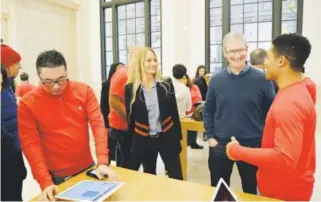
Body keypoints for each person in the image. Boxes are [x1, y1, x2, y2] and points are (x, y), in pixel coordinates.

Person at [226, 33, 316, 201]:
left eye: (268, 57)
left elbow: (284, 158)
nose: (265, 62)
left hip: (284, 191)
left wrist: (236, 151)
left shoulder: (290, 103)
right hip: (290, 184)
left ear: (281, 61)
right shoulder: (301, 88)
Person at [18, 50, 117, 201]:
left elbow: (97, 125)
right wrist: (45, 182)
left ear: (66, 72)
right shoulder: (27, 104)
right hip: (57, 177)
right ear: (38, 77)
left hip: (88, 167)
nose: (56, 86)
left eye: (61, 79)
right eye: (48, 82)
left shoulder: (84, 91)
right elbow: (31, 145)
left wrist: (102, 161)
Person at [203, 32, 275, 194]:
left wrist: (264, 141)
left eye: (240, 50)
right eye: (231, 51)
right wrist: (211, 137)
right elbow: (209, 110)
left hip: (252, 145)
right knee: (219, 189)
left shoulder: (263, 79)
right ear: (225, 53)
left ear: (247, 50)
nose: (236, 55)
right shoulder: (216, 80)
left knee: (250, 190)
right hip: (221, 144)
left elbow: (271, 113)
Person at [125, 47, 183, 180]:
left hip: (167, 137)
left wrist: (178, 138)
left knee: (176, 176)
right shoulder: (131, 88)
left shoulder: (166, 84)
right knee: (149, 176)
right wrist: (132, 143)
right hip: (144, 139)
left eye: (155, 60)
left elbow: (174, 113)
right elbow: (130, 119)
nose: (153, 63)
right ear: (141, 63)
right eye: (148, 60)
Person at [1, 44, 27, 201]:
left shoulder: (8, 87)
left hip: (13, 151)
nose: (20, 66)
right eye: (16, 63)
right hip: (6, 155)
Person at [100, 62, 125, 165]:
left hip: (121, 121)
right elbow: (104, 106)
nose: (121, 71)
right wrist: (106, 125)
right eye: (118, 69)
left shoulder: (126, 84)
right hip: (111, 121)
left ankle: (120, 167)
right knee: (110, 147)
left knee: (121, 150)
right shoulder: (106, 85)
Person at [183, 73, 203, 149]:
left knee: (193, 129)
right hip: (183, 112)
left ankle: (193, 142)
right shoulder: (177, 88)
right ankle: (187, 143)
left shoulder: (194, 87)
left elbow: (198, 98)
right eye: (181, 78)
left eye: (184, 78)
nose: (183, 80)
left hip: (193, 110)